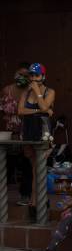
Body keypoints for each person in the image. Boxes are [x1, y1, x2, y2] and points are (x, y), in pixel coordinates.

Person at [18, 63, 55, 207]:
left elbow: (45, 106)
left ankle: (36, 201)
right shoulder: (25, 93)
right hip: (28, 133)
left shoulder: (49, 92)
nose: (34, 78)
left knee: (38, 168)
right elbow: (20, 111)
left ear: (43, 77)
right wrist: (38, 111)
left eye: (37, 75)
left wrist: (37, 92)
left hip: (43, 134)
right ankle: (36, 201)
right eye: (31, 75)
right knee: (34, 167)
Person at [1, 62, 31, 205]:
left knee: (26, 165)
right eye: (20, 74)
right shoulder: (7, 90)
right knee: (6, 165)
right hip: (9, 133)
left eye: (26, 75)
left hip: (27, 133)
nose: (22, 77)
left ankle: (25, 195)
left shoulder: (32, 91)